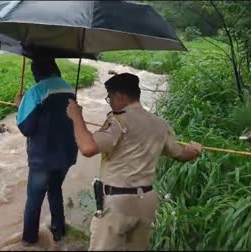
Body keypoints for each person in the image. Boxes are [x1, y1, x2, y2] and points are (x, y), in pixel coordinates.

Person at [66, 72, 203, 251]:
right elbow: (181, 155)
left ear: (120, 96)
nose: (111, 102)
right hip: (146, 202)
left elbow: (88, 148)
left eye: (110, 97)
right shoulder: (160, 124)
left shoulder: (117, 120)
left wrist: (76, 117)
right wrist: (195, 150)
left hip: (118, 204)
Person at [14, 57, 78, 245]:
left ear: (37, 73)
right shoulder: (68, 88)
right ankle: (59, 231)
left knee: (34, 199)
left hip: (43, 157)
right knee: (55, 189)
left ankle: (29, 240)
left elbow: (26, 128)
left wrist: (20, 106)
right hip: (66, 153)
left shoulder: (36, 91)